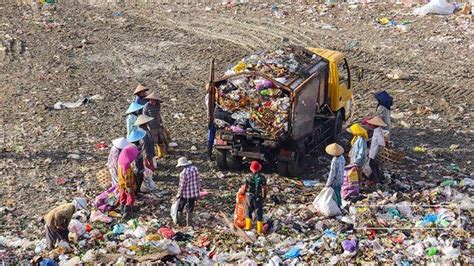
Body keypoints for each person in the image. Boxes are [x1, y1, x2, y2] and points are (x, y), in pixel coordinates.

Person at [175, 157, 202, 227]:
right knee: (190, 207)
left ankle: (179, 222)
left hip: (185, 194)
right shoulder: (194, 169)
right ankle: (188, 224)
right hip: (194, 193)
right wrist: (199, 189)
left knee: (180, 207)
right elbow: (198, 180)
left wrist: (178, 194)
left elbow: (182, 186)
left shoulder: (183, 173)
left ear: (182, 166)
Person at [117, 144, 141, 219]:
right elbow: (128, 179)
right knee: (131, 197)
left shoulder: (121, 161)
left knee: (122, 196)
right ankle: (127, 211)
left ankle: (122, 209)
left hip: (121, 184)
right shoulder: (127, 167)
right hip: (128, 185)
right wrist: (130, 188)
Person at [244, 161, 267, 235]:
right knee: (258, 212)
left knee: (248, 210)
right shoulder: (262, 178)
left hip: (249, 196)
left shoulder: (247, 177)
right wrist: (264, 196)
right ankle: (259, 230)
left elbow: (245, 188)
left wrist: (244, 194)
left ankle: (248, 227)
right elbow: (264, 188)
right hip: (257, 197)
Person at [143, 92, 167, 158]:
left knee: (160, 139)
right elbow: (145, 116)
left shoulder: (158, 105)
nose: (152, 101)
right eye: (151, 99)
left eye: (154, 100)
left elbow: (158, 114)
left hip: (158, 124)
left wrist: (161, 122)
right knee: (154, 141)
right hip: (151, 126)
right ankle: (157, 154)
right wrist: (147, 125)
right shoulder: (146, 106)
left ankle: (162, 152)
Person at [127, 128, 147, 197]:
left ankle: (136, 191)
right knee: (138, 179)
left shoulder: (133, 146)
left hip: (136, 165)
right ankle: (136, 192)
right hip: (137, 166)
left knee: (137, 178)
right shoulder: (136, 146)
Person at [366, 116, 387, 182]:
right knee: (375, 165)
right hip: (374, 152)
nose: (371, 125)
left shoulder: (378, 132)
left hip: (375, 153)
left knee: (372, 164)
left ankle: (377, 178)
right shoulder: (377, 130)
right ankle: (379, 177)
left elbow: (381, 143)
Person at [325, 143, 345, 208]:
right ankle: (339, 205)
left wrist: (328, 183)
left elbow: (332, 173)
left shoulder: (334, 160)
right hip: (341, 179)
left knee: (335, 194)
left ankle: (338, 206)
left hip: (335, 181)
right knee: (338, 193)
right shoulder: (342, 157)